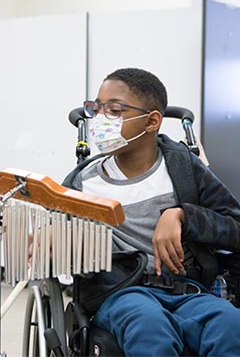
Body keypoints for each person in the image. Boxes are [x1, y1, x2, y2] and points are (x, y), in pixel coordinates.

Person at [62, 68, 240, 356]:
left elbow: (235, 226)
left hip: (186, 290)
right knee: (150, 325)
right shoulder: (83, 182)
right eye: (96, 109)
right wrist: (47, 238)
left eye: (114, 110)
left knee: (231, 323)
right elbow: (59, 234)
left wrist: (183, 215)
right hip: (122, 295)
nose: (99, 120)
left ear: (152, 121)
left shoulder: (184, 169)